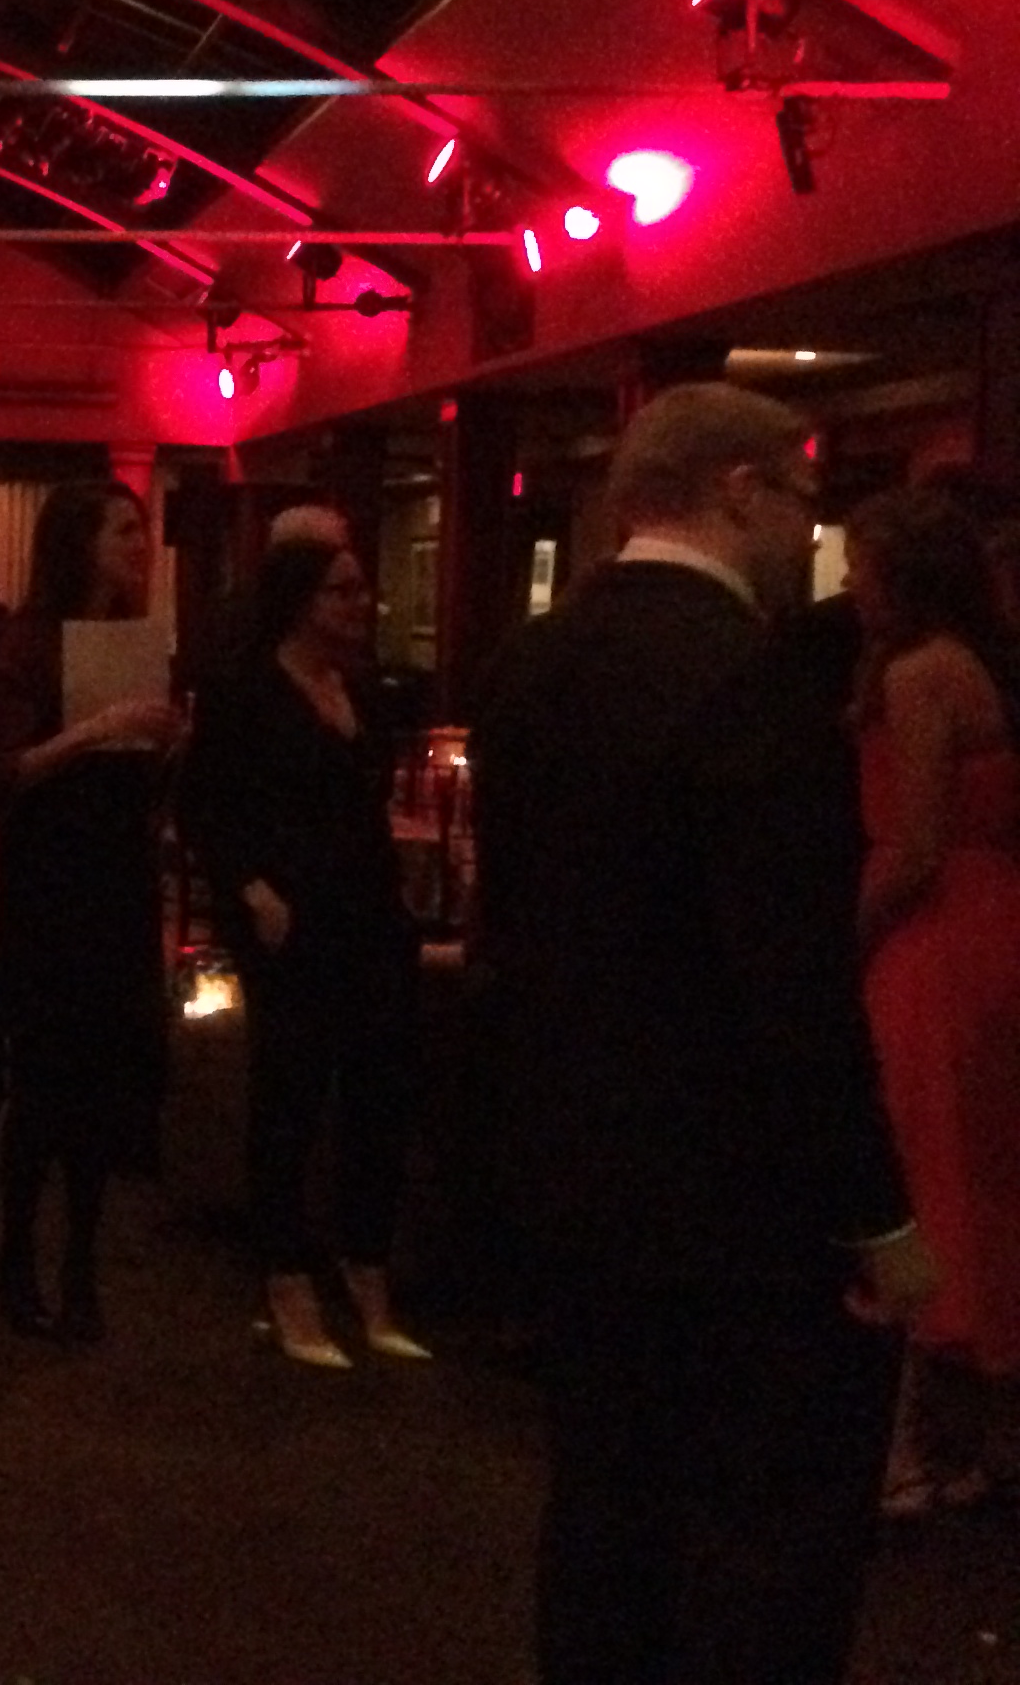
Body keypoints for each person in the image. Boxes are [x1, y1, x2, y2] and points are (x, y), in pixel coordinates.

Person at [472, 384, 932, 1685]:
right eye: (800, 500)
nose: (808, 533)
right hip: (732, 1197)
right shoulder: (752, 681)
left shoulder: (531, 663)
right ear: (739, 490)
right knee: (753, 1549)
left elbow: (516, 931)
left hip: (571, 1167)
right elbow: (790, 986)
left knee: (601, 1513)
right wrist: (875, 1214)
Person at [180, 534, 427, 1369]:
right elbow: (204, 806)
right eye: (340, 592)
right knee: (291, 1093)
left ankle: (365, 1263)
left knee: (379, 1093)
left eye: (360, 591)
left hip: (370, 913)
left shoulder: (363, 688)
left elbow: (366, 804)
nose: (359, 606)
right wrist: (252, 890)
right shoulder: (247, 690)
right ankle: (284, 1274)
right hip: (291, 916)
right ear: (298, 601)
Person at [841, 487, 1020, 1517]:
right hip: (993, 921)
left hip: (933, 936)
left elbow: (913, 850)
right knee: (981, 1172)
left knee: (917, 1172)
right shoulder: (982, 665)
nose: (852, 583)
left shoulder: (916, 676)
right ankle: (976, 1438)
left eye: (864, 567)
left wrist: (844, 941)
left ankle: (900, 1451)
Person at [0, 478, 179, 1345]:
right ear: (79, 543)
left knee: (100, 1083)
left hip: (116, 876)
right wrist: (99, 729)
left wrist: (167, 744)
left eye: (142, 529)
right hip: (50, 879)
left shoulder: (137, 638)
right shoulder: (29, 639)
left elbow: (143, 788)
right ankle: (17, 1252)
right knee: (44, 1078)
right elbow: (0, 774)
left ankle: (81, 1263)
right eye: (124, 530)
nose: (140, 544)